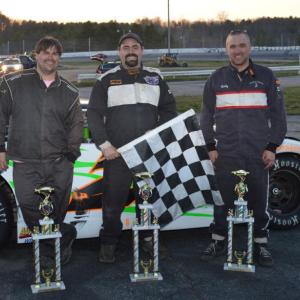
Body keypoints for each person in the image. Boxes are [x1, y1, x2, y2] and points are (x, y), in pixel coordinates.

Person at [200, 30, 287, 267]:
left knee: (259, 202)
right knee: (222, 202)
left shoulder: (267, 77)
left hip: (258, 153)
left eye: (241, 45)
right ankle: (218, 239)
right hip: (225, 153)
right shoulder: (215, 78)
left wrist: (272, 146)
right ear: (226, 49)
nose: (237, 50)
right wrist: (210, 146)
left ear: (250, 47)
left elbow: (279, 115)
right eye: (232, 46)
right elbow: (205, 116)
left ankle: (260, 243)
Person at [87, 32, 177, 263]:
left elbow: (169, 110)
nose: (130, 51)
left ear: (141, 50)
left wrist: (156, 132)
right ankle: (108, 242)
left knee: (147, 200)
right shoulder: (106, 79)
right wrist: (105, 145)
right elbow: (94, 115)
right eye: (125, 47)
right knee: (112, 202)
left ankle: (148, 239)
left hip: (148, 153)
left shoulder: (156, 77)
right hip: (116, 154)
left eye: (134, 47)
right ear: (119, 52)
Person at [0, 36, 83, 265]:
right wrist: (0, 149)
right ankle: (63, 236)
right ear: (36, 55)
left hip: (59, 163)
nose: (50, 57)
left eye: (55, 53)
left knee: (56, 211)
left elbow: (77, 124)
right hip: (25, 163)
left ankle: (51, 250)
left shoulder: (69, 91)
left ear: (59, 58)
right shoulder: (13, 82)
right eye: (45, 52)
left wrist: (71, 155)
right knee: (29, 208)